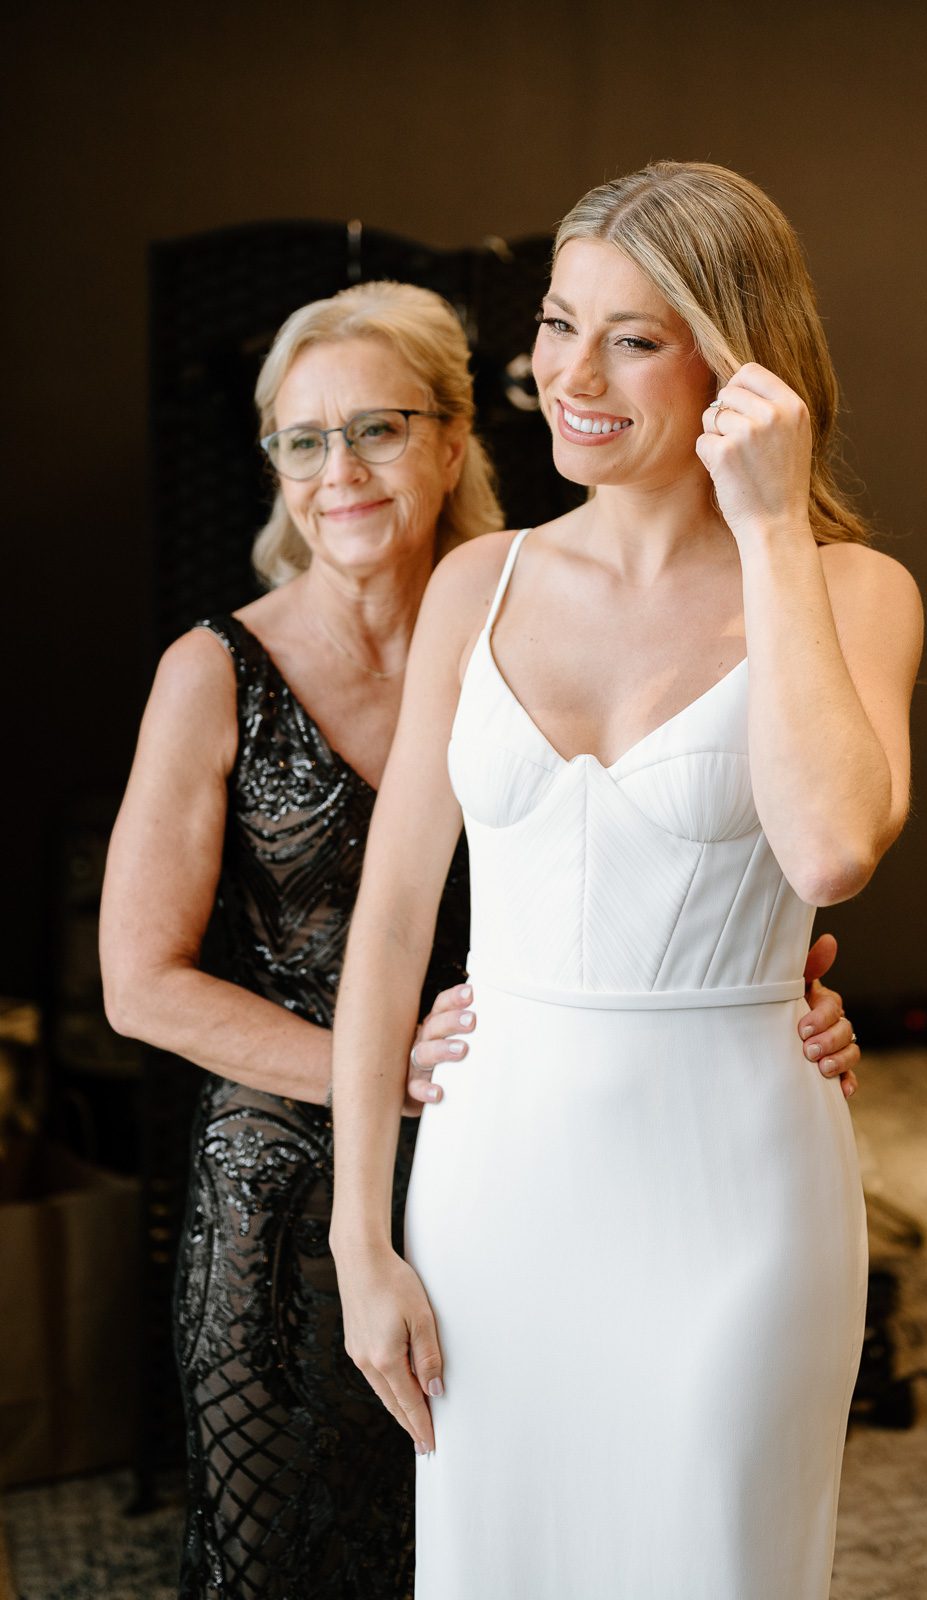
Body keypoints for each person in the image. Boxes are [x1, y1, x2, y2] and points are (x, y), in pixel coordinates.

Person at [101, 272, 858, 1599]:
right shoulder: (213, 670)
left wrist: (786, 988)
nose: (338, 471)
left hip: (526, 1151)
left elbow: (685, 861)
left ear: (456, 440)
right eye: (301, 439)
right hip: (296, 1188)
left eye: (378, 428)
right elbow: (141, 983)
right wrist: (373, 1072)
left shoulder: (527, 615)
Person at [329, 162, 921, 1600]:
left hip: (739, 1186)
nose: (570, 375)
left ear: (739, 360)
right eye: (556, 322)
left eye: (635, 337)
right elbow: (392, 925)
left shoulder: (853, 590)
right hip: (495, 1186)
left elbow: (833, 848)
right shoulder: (480, 582)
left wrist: (772, 526)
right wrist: (363, 1243)